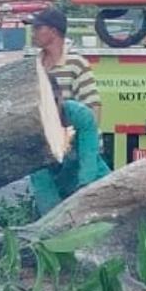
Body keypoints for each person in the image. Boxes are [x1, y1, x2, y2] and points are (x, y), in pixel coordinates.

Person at [32, 76, 111, 215]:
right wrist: (52, 218)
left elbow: (88, 161)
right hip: (58, 190)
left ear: (61, 96)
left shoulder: (81, 115)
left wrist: (83, 203)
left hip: (95, 182)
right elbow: (41, 181)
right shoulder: (32, 130)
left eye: (54, 102)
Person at [29, 7, 101, 122]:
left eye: (38, 28)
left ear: (53, 31)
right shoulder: (34, 66)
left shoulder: (77, 64)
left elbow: (92, 110)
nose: (33, 33)